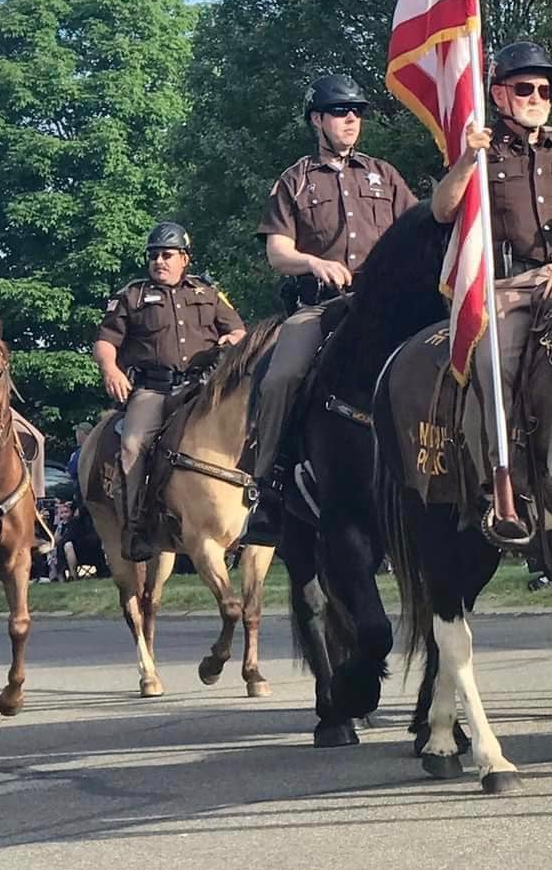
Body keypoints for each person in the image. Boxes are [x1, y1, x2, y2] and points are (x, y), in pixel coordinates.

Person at [247, 73, 420, 509]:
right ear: (317, 120)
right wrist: (315, 262)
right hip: (321, 307)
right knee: (280, 378)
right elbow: (277, 251)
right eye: (341, 112)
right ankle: (270, 485)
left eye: (357, 112)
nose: (351, 119)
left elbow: (419, 229)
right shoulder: (295, 181)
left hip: (387, 305)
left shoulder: (385, 174)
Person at [432, 41, 552, 423]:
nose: (537, 97)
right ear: (499, 94)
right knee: (493, 361)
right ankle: (501, 468)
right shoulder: (481, 149)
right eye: (525, 89)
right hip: (512, 289)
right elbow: (442, 209)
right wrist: (468, 159)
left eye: (545, 90)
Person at [92, 221, 246, 560]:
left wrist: (229, 341)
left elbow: (238, 331)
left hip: (201, 388)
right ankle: (135, 528)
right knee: (132, 446)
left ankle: (254, 514)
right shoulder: (131, 296)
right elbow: (105, 342)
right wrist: (111, 369)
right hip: (153, 389)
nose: (159, 261)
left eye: (167, 255)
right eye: (153, 256)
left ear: (184, 259)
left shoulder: (208, 293)